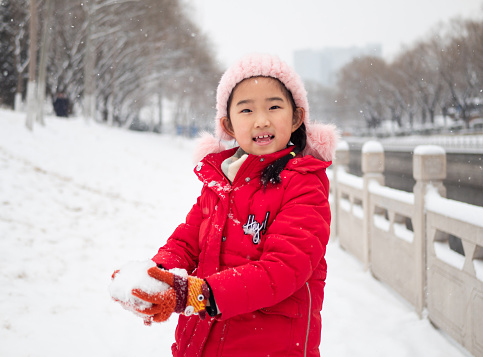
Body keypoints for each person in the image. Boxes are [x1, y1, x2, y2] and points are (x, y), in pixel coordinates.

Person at [111, 53, 338, 357]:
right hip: (200, 343)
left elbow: (283, 269)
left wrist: (198, 295)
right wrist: (156, 275)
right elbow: (188, 240)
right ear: (228, 124)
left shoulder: (304, 185)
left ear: (296, 117)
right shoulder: (220, 183)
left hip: (270, 347)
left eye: (274, 106)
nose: (261, 120)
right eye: (246, 110)